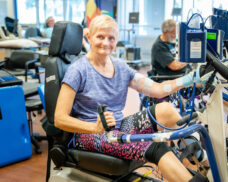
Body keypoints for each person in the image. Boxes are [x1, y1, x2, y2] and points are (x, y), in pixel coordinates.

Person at [55, 15, 211, 182]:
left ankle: (205, 163)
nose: (106, 43)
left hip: (118, 126)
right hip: (88, 135)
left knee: (165, 110)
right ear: (89, 37)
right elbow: (59, 119)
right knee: (157, 147)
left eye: (111, 38)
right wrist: (94, 128)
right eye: (100, 37)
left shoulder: (121, 67)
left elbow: (157, 90)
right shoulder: (77, 70)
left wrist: (189, 79)